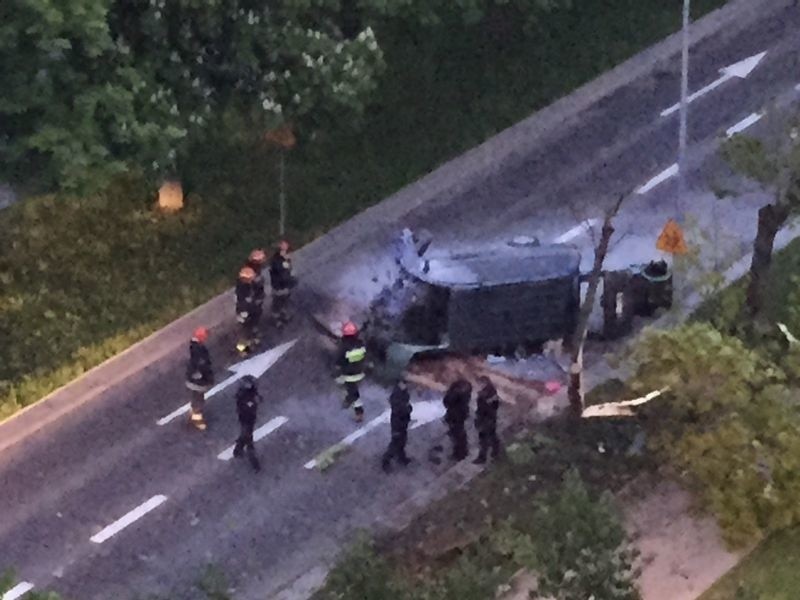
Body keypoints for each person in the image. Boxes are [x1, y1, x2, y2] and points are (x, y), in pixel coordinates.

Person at [335, 321, 366, 422]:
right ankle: (349, 400)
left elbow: (339, 361)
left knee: (352, 393)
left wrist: (336, 368)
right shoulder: (361, 344)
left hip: (349, 375)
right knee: (353, 391)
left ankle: (356, 410)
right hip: (360, 372)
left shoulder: (343, 347)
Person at [185, 327, 214, 431]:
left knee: (196, 397)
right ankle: (196, 419)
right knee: (198, 399)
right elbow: (202, 364)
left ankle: (194, 411)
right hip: (198, 380)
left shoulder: (195, 347)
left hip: (194, 378)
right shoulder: (199, 351)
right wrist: (207, 376)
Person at [382, 379, 413, 473]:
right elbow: (400, 409)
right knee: (395, 443)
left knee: (402, 440)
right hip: (398, 423)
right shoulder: (397, 395)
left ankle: (401, 457)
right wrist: (408, 409)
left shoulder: (403, 392)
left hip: (402, 422)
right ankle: (386, 460)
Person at [233, 375, 262, 472]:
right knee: (248, 438)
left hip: (249, 418)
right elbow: (249, 405)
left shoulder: (249, 393)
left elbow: (257, 399)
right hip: (246, 418)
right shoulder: (244, 396)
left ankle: (238, 450)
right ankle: (254, 463)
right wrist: (254, 402)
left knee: (245, 435)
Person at [473, 376, 501, 464]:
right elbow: (495, 405)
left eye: (479, 383)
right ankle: (495, 450)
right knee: (492, 435)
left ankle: (482, 457)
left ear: (484, 383)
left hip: (486, 419)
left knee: (483, 439)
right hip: (490, 418)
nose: (478, 385)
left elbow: (484, 407)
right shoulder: (492, 392)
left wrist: (480, 419)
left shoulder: (485, 394)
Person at [235, 266, 262, 356]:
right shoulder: (241, 291)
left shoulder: (249, 285)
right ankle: (242, 350)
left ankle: (251, 342)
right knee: (243, 332)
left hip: (250, 311)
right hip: (244, 314)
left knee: (251, 328)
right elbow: (242, 304)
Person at [443, 378, 471, 461]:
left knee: (457, 434)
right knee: (459, 432)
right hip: (459, 415)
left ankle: (460, 453)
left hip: (455, 417)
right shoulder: (466, 392)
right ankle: (461, 451)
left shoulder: (456, 394)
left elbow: (447, 402)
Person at [269, 240, 296, 328]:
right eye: (285, 251)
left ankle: (283, 314)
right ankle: (276, 319)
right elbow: (282, 273)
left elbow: (289, 269)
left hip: (285, 285)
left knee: (284, 301)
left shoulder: (284, 260)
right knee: (277, 303)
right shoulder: (276, 262)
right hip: (278, 287)